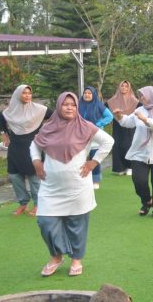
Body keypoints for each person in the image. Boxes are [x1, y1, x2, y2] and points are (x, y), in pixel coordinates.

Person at [30, 92, 114, 277]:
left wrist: (94, 162)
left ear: (77, 107)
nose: (69, 108)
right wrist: (36, 162)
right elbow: (35, 145)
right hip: (50, 187)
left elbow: (108, 141)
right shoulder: (48, 127)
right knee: (45, 222)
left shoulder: (85, 127)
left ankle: (76, 259)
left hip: (77, 187)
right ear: (59, 106)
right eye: (65, 104)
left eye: (73, 105)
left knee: (77, 225)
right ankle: (56, 256)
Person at [114, 86, 153, 219]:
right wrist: (119, 116)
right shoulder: (139, 110)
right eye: (140, 96)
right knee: (139, 180)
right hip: (140, 152)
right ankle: (146, 201)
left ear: (152, 96)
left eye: (143, 96)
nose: (141, 99)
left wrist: (145, 119)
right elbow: (128, 122)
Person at [0, 84, 53, 216]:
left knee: (34, 177)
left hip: (33, 146)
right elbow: (1, 119)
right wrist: (4, 133)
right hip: (15, 147)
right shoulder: (9, 111)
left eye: (29, 93)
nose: (27, 95)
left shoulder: (39, 109)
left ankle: (39, 205)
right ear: (18, 95)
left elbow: (55, 116)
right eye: (24, 93)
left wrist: (46, 131)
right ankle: (23, 203)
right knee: (14, 175)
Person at [79, 86, 113, 190]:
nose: (87, 95)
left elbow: (109, 116)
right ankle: (81, 178)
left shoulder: (99, 105)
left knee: (95, 157)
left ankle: (96, 180)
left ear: (93, 95)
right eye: (85, 93)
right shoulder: (78, 105)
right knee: (80, 158)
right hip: (81, 135)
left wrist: (99, 124)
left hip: (95, 135)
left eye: (89, 93)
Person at [105, 80, 140, 176]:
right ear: (119, 87)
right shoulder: (112, 101)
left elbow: (141, 111)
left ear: (129, 88)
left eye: (126, 86)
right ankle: (119, 168)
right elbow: (103, 110)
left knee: (128, 145)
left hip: (130, 126)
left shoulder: (135, 101)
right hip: (117, 127)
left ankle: (130, 167)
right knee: (117, 146)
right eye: (122, 86)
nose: (124, 88)